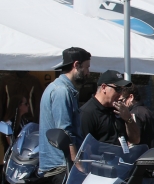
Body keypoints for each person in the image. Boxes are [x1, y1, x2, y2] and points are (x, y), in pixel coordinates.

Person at [38, 47, 90, 175]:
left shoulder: (63, 89)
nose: (88, 73)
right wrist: (76, 164)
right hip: (62, 165)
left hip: (61, 164)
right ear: (76, 65)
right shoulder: (62, 91)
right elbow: (65, 132)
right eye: (87, 67)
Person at [80, 70, 141, 147]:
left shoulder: (119, 109)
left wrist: (128, 119)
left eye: (122, 90)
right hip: (101, 158)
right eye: (118, 89)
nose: (121, 94)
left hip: (121, 157)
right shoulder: (87, 113)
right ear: (104, 87)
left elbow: (135, 140)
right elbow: (84, 149)